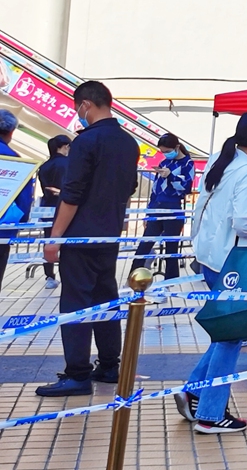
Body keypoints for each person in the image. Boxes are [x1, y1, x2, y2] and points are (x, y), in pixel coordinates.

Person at [37, 83, 139, 398]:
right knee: (105, 297)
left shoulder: (87, 142)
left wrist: (54, 238)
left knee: (76, 302)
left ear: (85, 105)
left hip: (79, 236)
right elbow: (128, 188)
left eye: (77, 108)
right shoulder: (128, 143)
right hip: (109, 234)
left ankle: (78, 373)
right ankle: (109, 365)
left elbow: (73, 194)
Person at [182, 111, 247, 433]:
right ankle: (210, 413)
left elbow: (204, 208)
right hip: (232, 263)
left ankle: (195, 392)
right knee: (231, 336)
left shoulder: (221, 161)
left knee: (226, 332)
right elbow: (245, 222)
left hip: (211, 256)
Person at [131, 133, 194, 281]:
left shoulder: (187, 163)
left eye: (167, 151)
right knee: (144, 245)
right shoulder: (165, 162)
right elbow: (155, 189)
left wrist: (171, 176)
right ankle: (132, 279)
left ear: (177, 147)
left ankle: (170, 282)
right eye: (163, 152)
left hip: (173, 207)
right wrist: (148, 211)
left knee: (171, 248)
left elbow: (187, 187)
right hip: (157, 207)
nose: (165, 154)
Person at [0, 110, 35, 287]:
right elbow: (24, 200)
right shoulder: (16, 161)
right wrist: (20, 221)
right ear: (11, 132)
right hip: (2, 228)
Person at [36, 134, 71, 289]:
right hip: (64, 207)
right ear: (63, 146)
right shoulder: (69, 164)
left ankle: (49, 276)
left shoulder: (44, 166)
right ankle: (67, 274)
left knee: (48, 240)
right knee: (66, 242)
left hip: (46, 207)